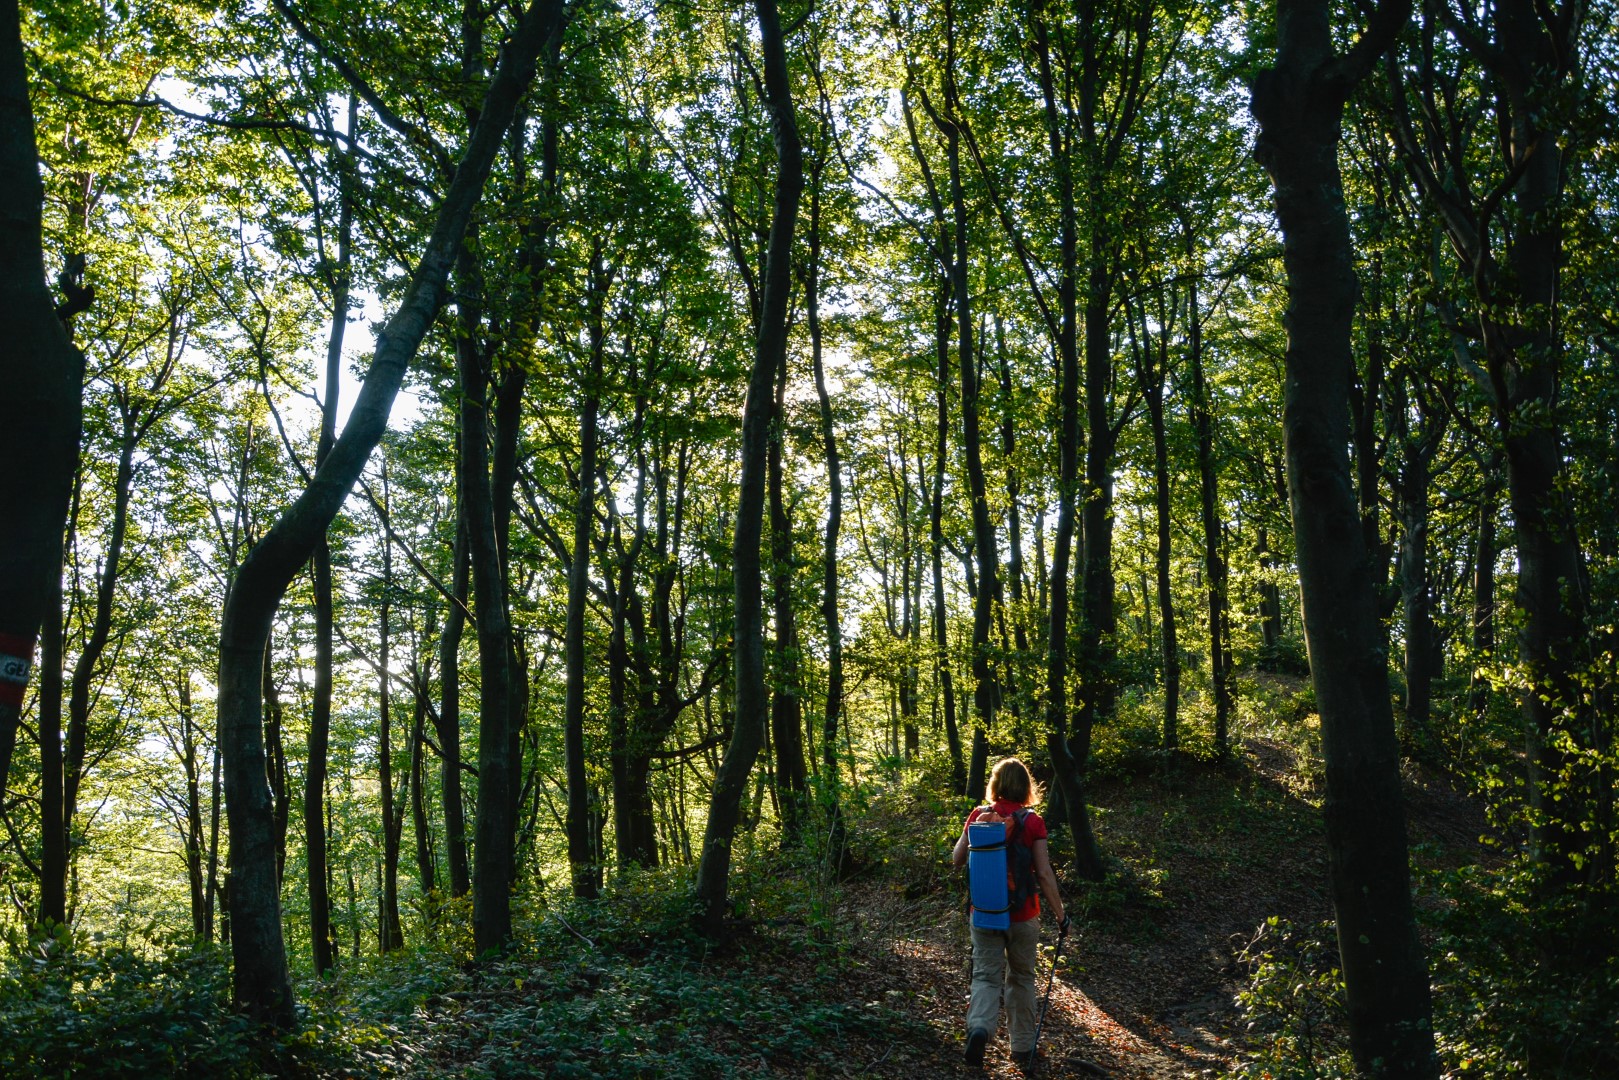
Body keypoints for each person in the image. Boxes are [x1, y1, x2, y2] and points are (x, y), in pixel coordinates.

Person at [951, 757, 1068, 1069]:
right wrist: (1060, 915)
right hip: (1023, 914)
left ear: (996, 784)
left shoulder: (978, 815)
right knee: (1021, 978)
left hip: (985, 913)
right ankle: (1022, 1046)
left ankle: (979, 1029)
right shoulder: (1033, 822)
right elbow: (1043, 874)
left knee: (985, 977)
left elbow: (957, 858)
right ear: (1026, 787)